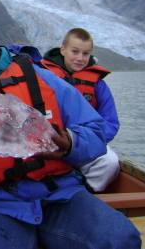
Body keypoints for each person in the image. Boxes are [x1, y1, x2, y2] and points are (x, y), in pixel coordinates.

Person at [0, 0, 141, 249]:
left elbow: (96, 131)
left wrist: (71, 143)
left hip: (61, 194)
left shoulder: (39, 74)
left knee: (121, 238)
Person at [41, 28, 120, 192]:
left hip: (85, 142)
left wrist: (87, 143)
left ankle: (84, 191)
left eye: (85, 53)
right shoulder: (42, 76)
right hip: (49, 141)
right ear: (63, 50)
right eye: (75, 52)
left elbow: (110, 122)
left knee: (111, 162)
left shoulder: (97, 84)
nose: (80, 58)